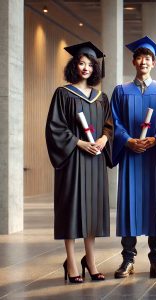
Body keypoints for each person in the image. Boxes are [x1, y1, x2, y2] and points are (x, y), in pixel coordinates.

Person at [45, 42, 112, 283]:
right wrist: (79, 143)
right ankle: (71, 261)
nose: (85, 68)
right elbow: (55, 127)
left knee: (92, 212)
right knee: (72, 209)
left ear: (96, 69)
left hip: (94, 160)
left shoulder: (101, 97)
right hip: (73, 160)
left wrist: (104, 139)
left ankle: (91, 260)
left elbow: (108, 125)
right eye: (81, 63)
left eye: (90, 64)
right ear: (74, 66)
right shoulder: (63, 93)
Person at [111, 36, 156, 279]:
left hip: (154, 155)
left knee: (155, 205)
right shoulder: (121, 91)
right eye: (140, 57)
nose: (144, 61)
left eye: (148, 58)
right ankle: (128, 259)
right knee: (129, 205)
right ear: (133, 61)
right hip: (132, 156)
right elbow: (113, 122)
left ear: (153, 63)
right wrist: (127, 140)